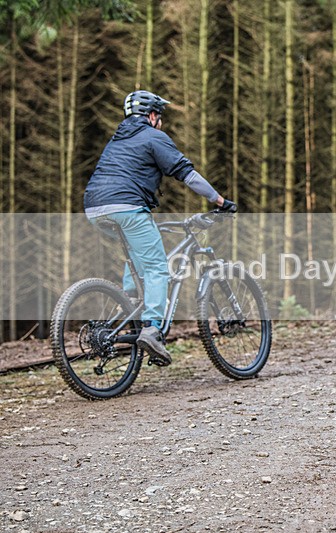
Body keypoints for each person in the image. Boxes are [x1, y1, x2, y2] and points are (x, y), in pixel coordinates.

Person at [83, 90, 236, 367]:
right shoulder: (154, 137)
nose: (161, 122)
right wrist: (220, 200)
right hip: (127, 206)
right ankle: (152, 329)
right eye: (160, 117)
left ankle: (128, 306)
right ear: (152, 116)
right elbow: (187, 174)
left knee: (138, 257)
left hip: (95, 208)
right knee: (156, 266)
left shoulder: (117, 140)